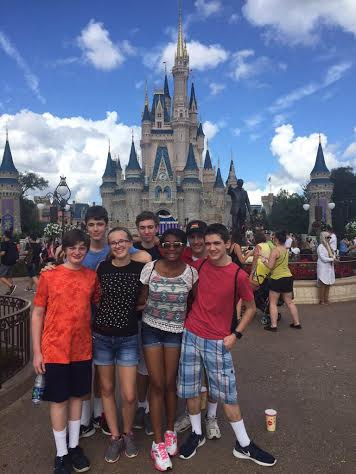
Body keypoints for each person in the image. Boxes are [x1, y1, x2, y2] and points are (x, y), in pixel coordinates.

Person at [178, 224, 276, 467]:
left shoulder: (237, 275)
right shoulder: (198, 266)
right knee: (191, 390)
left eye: (216, 243)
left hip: (217, 340)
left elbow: (251, 308)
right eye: (207, 243)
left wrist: (236, 335)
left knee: (228, 395)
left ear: (227, 244)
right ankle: (197, 433)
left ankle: (243, 444)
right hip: (191, 334)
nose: (210, 248)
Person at [32, 229, 99, 474]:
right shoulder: (49, 276)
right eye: (73, 247)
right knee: (59, 400)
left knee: (76, 399)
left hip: (81, 348)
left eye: (82, 247)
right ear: (65, 249)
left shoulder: (91, 277)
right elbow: (37, 313)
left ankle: (74, 446)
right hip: (54, 348)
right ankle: (61, 453)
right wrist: (37, 352)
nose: (78, 252)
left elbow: (98, 305)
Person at [140, 228, 198, 471]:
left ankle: (169, 430)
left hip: (175, 331)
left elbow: (194, 302)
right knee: (157, 383)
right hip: (151, 329)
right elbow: (142, 299)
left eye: (177, 245)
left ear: (183, 247)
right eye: (167, 245)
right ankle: (157, 444)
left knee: (170, 382)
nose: (171, 249)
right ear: (160, 246)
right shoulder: (150, 268)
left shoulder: (191, 273)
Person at [93, 226, 145, 463]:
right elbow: (93, 295)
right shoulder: (101, 268)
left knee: (129, 393)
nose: (119, 245)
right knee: (106, 389)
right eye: (114, 242)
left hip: (127, 338)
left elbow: (146, 297)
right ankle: (115, 436)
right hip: (102, 337)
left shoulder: (140, 269)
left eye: (123, 241)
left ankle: (128, 432)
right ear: (109, 246)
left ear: (130, 242)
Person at [177, 220, 222, 441]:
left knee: (213, 375)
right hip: (188, 326)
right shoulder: (180, 256)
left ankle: (211, 417)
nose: (196, 241)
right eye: (192, 237)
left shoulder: (216, 260)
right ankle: (190, 413)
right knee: (190, 376)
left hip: (214, 328)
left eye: (199, 237)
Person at [133, 211, 161, 436]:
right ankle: (142, 408)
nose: (147, 231)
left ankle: (152, 409)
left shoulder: (166, 250)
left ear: (157, 227)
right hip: (139, 318)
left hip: (161, 317)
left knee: (155, 368)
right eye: (143, 227)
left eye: (151, 227)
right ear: (138, 229)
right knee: (142, 368)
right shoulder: (131, 251)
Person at [261, 230, 301, 331]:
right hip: (288, 277)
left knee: (273, 302)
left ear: (277, 239)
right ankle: (297, 323)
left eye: (274, 238)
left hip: (277, 278)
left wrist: (264, 261)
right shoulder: (285, 250)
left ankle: (273, 325)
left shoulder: (275, 250)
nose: (273, 239)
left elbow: (270, 266)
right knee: (289, 302)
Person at [317, 232, 336, 305]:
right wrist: (332, 259)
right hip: (323, 267)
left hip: (330, 267)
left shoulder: (329, 246)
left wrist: (334, 258)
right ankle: (321, 300)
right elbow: (322, 258)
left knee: (328, 283)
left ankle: (326, 299)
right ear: (323, 238)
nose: (329, 239)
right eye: (327, 237)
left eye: (329, 237)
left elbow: (334, 255)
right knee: (323, 283)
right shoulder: (320, 247)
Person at [0, 230, 18, 295]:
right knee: (9, 276)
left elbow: (3, 253)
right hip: (12, 262)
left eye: (3, 234)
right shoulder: (13, 243)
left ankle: (11, 286)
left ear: (5, 235)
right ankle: (10, 291)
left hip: (6, 262)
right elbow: (16, 251)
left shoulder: (4, 243)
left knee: (1, 276)